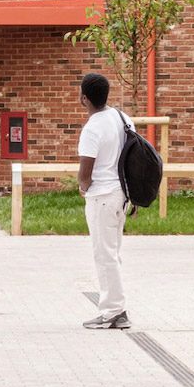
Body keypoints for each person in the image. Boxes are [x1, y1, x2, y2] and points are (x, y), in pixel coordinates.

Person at [74, 71, 131, 330]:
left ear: (84, 98)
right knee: (113, 253)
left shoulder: (92, 128)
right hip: (122, 195)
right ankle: (116, 309)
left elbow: (86, 171)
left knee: (104, 255)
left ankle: (113, 312)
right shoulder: (123, 118)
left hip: (102, 198)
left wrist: (83, 187)